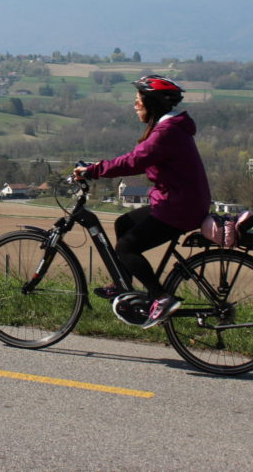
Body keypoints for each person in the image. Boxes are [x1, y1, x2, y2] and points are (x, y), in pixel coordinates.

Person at [73, 74, 211, 329]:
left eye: (138, 100)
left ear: (153, 103)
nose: (135, 105)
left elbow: (134, 161)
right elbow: (138, 160)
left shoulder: (166, 133)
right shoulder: (169, 129)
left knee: (126, 248)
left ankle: (160, 297)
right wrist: (97, 167)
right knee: (124, 223)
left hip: (179, 207)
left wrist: (94, 170)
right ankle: (123, 287)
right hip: (178, 202)